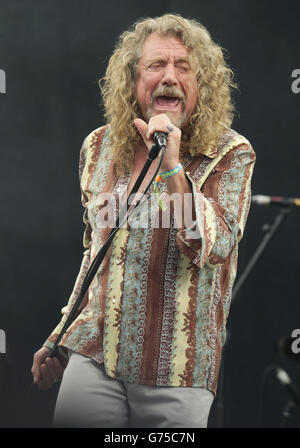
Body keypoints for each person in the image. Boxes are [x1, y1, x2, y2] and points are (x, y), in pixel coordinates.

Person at [31, 13, 255, 428]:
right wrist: (61, 335)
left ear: (200, 84)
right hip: (95, 354)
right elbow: (95, 254)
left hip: (175, 370)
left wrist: (172, 166)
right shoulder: (99, 147)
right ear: (133, 81)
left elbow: (210, 245)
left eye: (183, 67)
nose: (169, 76)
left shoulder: (229, 152)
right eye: (156, 65)